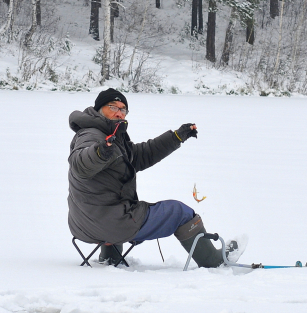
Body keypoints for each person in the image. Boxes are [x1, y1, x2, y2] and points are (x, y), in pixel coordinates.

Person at [68, 88, 240, 268]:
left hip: (83, 223)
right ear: (98, 109)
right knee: (180, 213)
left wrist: (176, 137)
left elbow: (139, 155)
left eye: (123, 109)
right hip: (108, 223)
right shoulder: (92, 136)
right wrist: (100, 153)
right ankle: (214, 261)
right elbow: (80, 165)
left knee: (119, 206)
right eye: (112, 107)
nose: (119, 113)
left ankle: (111, 258)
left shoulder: (110, 136)